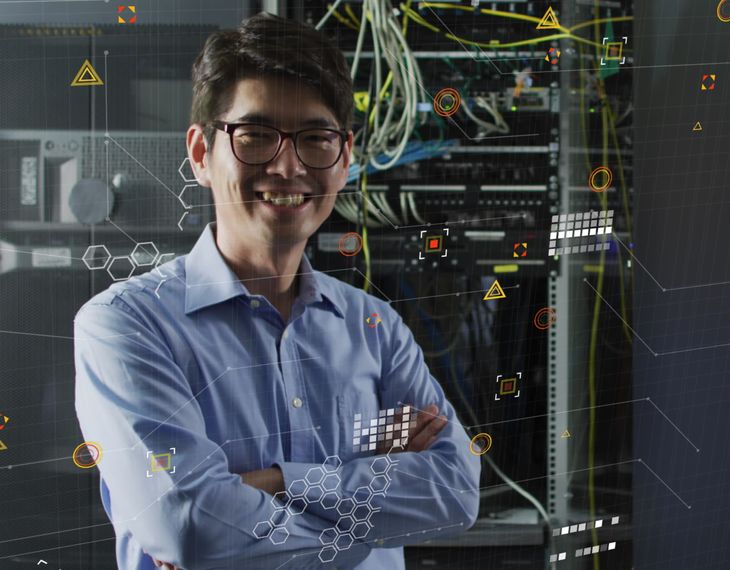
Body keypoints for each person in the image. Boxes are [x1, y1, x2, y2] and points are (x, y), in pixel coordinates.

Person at [73, 13, 479, 569]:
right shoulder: (124, 326)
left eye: (315, 139)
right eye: (256, 136)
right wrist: (368, 519)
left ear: (345, 157)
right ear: (200, 154)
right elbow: (191, 528)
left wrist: (264, 486)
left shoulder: (376, 329)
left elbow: (453, 493)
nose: (287, 166)